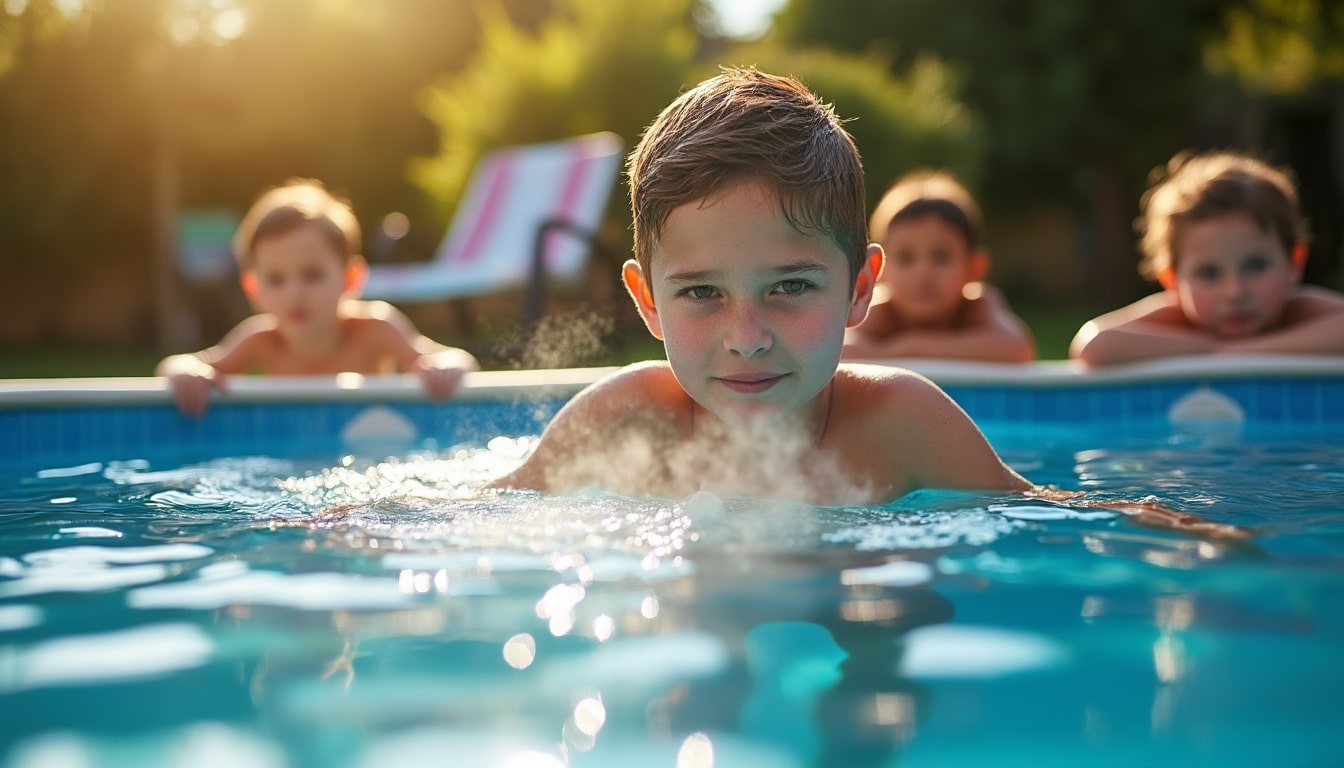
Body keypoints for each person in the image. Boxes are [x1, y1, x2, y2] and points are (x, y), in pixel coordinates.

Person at [490, 67, 1248, 542]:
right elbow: (478, 517)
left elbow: (1041, 509)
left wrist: (1174, 528)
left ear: (859, 288)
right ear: (647, 302)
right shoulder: (624, 421)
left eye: (790, 287)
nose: (746, 337)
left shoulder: (903, 424)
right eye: (701, 293)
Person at [157, 179, 479, 416]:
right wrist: (185, 371)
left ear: (351, 279)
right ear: (254, 289)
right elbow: (183, 364)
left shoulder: (374, 328)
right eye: (276, 280)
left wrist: (445, 365)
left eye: (312, 275)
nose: (294, 292)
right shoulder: (264, 339)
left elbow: (454, 358)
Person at [1071, 150, 1344, 366]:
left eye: (1256, 266)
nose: (1235, 292)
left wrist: (1237, 352)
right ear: (1172, 280)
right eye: (1209, 273)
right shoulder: (1175, 317)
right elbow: (1093, 344)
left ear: (1294, 263)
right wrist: (1215, 348)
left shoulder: (1297, 310)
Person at [842, 170, 1035, 362]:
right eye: (905, 258)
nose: (923, 274)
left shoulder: (978, 306)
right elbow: (842, 347)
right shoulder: (879, 311)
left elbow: (1018, 347)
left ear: (975, 267)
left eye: (941, 257)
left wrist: (912, 348)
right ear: (878, 268)